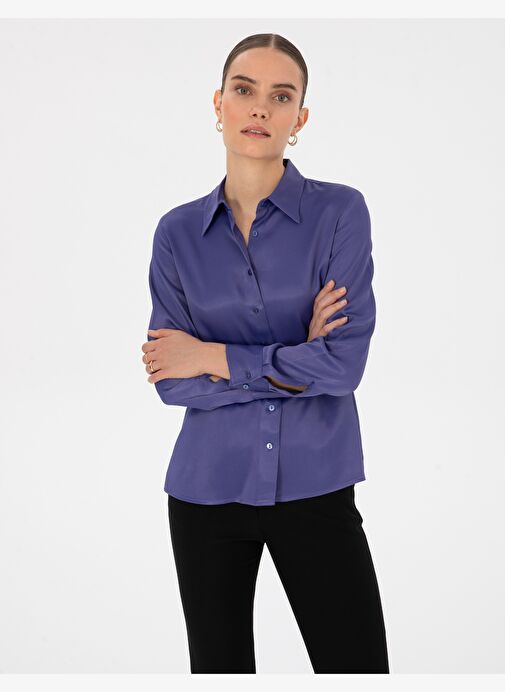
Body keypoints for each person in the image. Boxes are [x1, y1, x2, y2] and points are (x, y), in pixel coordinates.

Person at [141, 32, 389, 674]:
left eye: (281, 96)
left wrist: (211, 355)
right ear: (218, 103)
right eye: (244, 90)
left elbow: (343, 365)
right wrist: (295, 356)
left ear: (299, 118)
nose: (260, 108)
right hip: (205, 491)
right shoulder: (176, 233)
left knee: (357, 670)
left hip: (317, 484)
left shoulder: (340, 213)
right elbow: (171, 378)